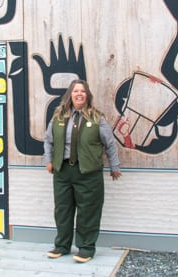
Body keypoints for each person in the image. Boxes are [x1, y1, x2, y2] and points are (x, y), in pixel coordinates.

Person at [43, 79, 122, 263]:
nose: (79, 94)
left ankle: (86, 248)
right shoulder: (58, 116)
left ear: (87, 95)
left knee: (88, 211)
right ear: (70, 95)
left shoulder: (97, 118)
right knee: (62, 211)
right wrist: (48, 160)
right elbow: (48, 140)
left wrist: (114, 166)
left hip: (88, 173)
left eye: (83, 91)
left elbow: (110, 144)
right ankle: (62, 246)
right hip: (62, 173)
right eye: (76, 91)